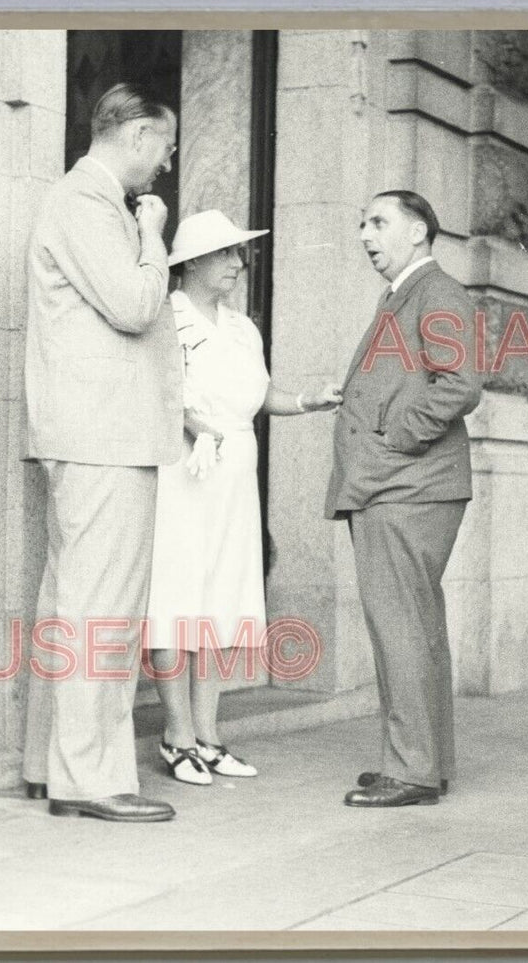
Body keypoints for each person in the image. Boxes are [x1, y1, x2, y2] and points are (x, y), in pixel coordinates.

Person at [19, 83, 182, 822]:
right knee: (102, 613)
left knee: (72, 606)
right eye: (166, 148)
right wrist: (154, 234)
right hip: (105, 437)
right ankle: (89, 778)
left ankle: (48, 766)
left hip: (93, 434)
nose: (164, 168)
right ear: (140, 134)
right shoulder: (91, 202)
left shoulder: (78, 200)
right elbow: (135, 304)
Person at [147, 210, 342, 786]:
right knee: (176, 596)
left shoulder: (242, 328)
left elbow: (259, 397)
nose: (237, 264)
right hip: (182, 469)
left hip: (233, 473)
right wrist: (191, 425)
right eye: (227, 254)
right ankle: (175, 733)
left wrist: (310, 399)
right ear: (193, 261)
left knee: (219, 599)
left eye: (239, 255)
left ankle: (208, 734)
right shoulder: (164, 317)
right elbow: (157, 391)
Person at [326, 190, 483, 808]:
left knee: (401, 629)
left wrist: (393, 438)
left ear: (418, 230)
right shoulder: (410, 293)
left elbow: (460, 385)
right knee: (413, 628)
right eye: (362, 222)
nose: (365, 233)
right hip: (403, 485)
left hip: (406, 486)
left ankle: (413, 769)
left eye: (378, 222)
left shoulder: (436, 290)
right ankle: (421, 761)